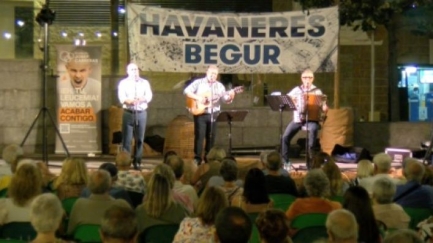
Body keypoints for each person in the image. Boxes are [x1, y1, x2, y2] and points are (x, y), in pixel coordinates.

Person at [183, 65, 235, 164]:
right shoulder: (199, 83)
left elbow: (225, 99)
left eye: (215, 74)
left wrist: (230, 97)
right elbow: (186, 91)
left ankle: (209, 158)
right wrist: (199, 98)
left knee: (211, 136)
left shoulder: (219, 86)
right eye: (211, 73)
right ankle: (197, 158)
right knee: (199, 136)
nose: (213, 76)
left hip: (214, 114)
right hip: (200, 113)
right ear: (207, 73)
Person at [281, 69, 328, 169]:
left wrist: (324, 108)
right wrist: (293, 100)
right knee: (285, 137)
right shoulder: (296, 90)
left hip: (312, 119)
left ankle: (310, 162)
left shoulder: (317, 91)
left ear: (313, 79)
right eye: (305, 77)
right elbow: (286, 99)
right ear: (301, 79)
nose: (307, 80)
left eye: (310, 77)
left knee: (313, 131)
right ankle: (286, 162)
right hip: (298, 119)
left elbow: (323, 105)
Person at [117, 63, 153, 170]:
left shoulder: (144, 83)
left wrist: (141, 99)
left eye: (136, 69)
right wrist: (130, 101)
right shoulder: (123, 83)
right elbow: (122, 97)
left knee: (140, 139)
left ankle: (137, 161)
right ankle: (126, 161)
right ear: (127, 71)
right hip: (128, 113)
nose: (135, 71)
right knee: (127, 140)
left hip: (141, 113)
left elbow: (149, 96)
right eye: (132, 70)